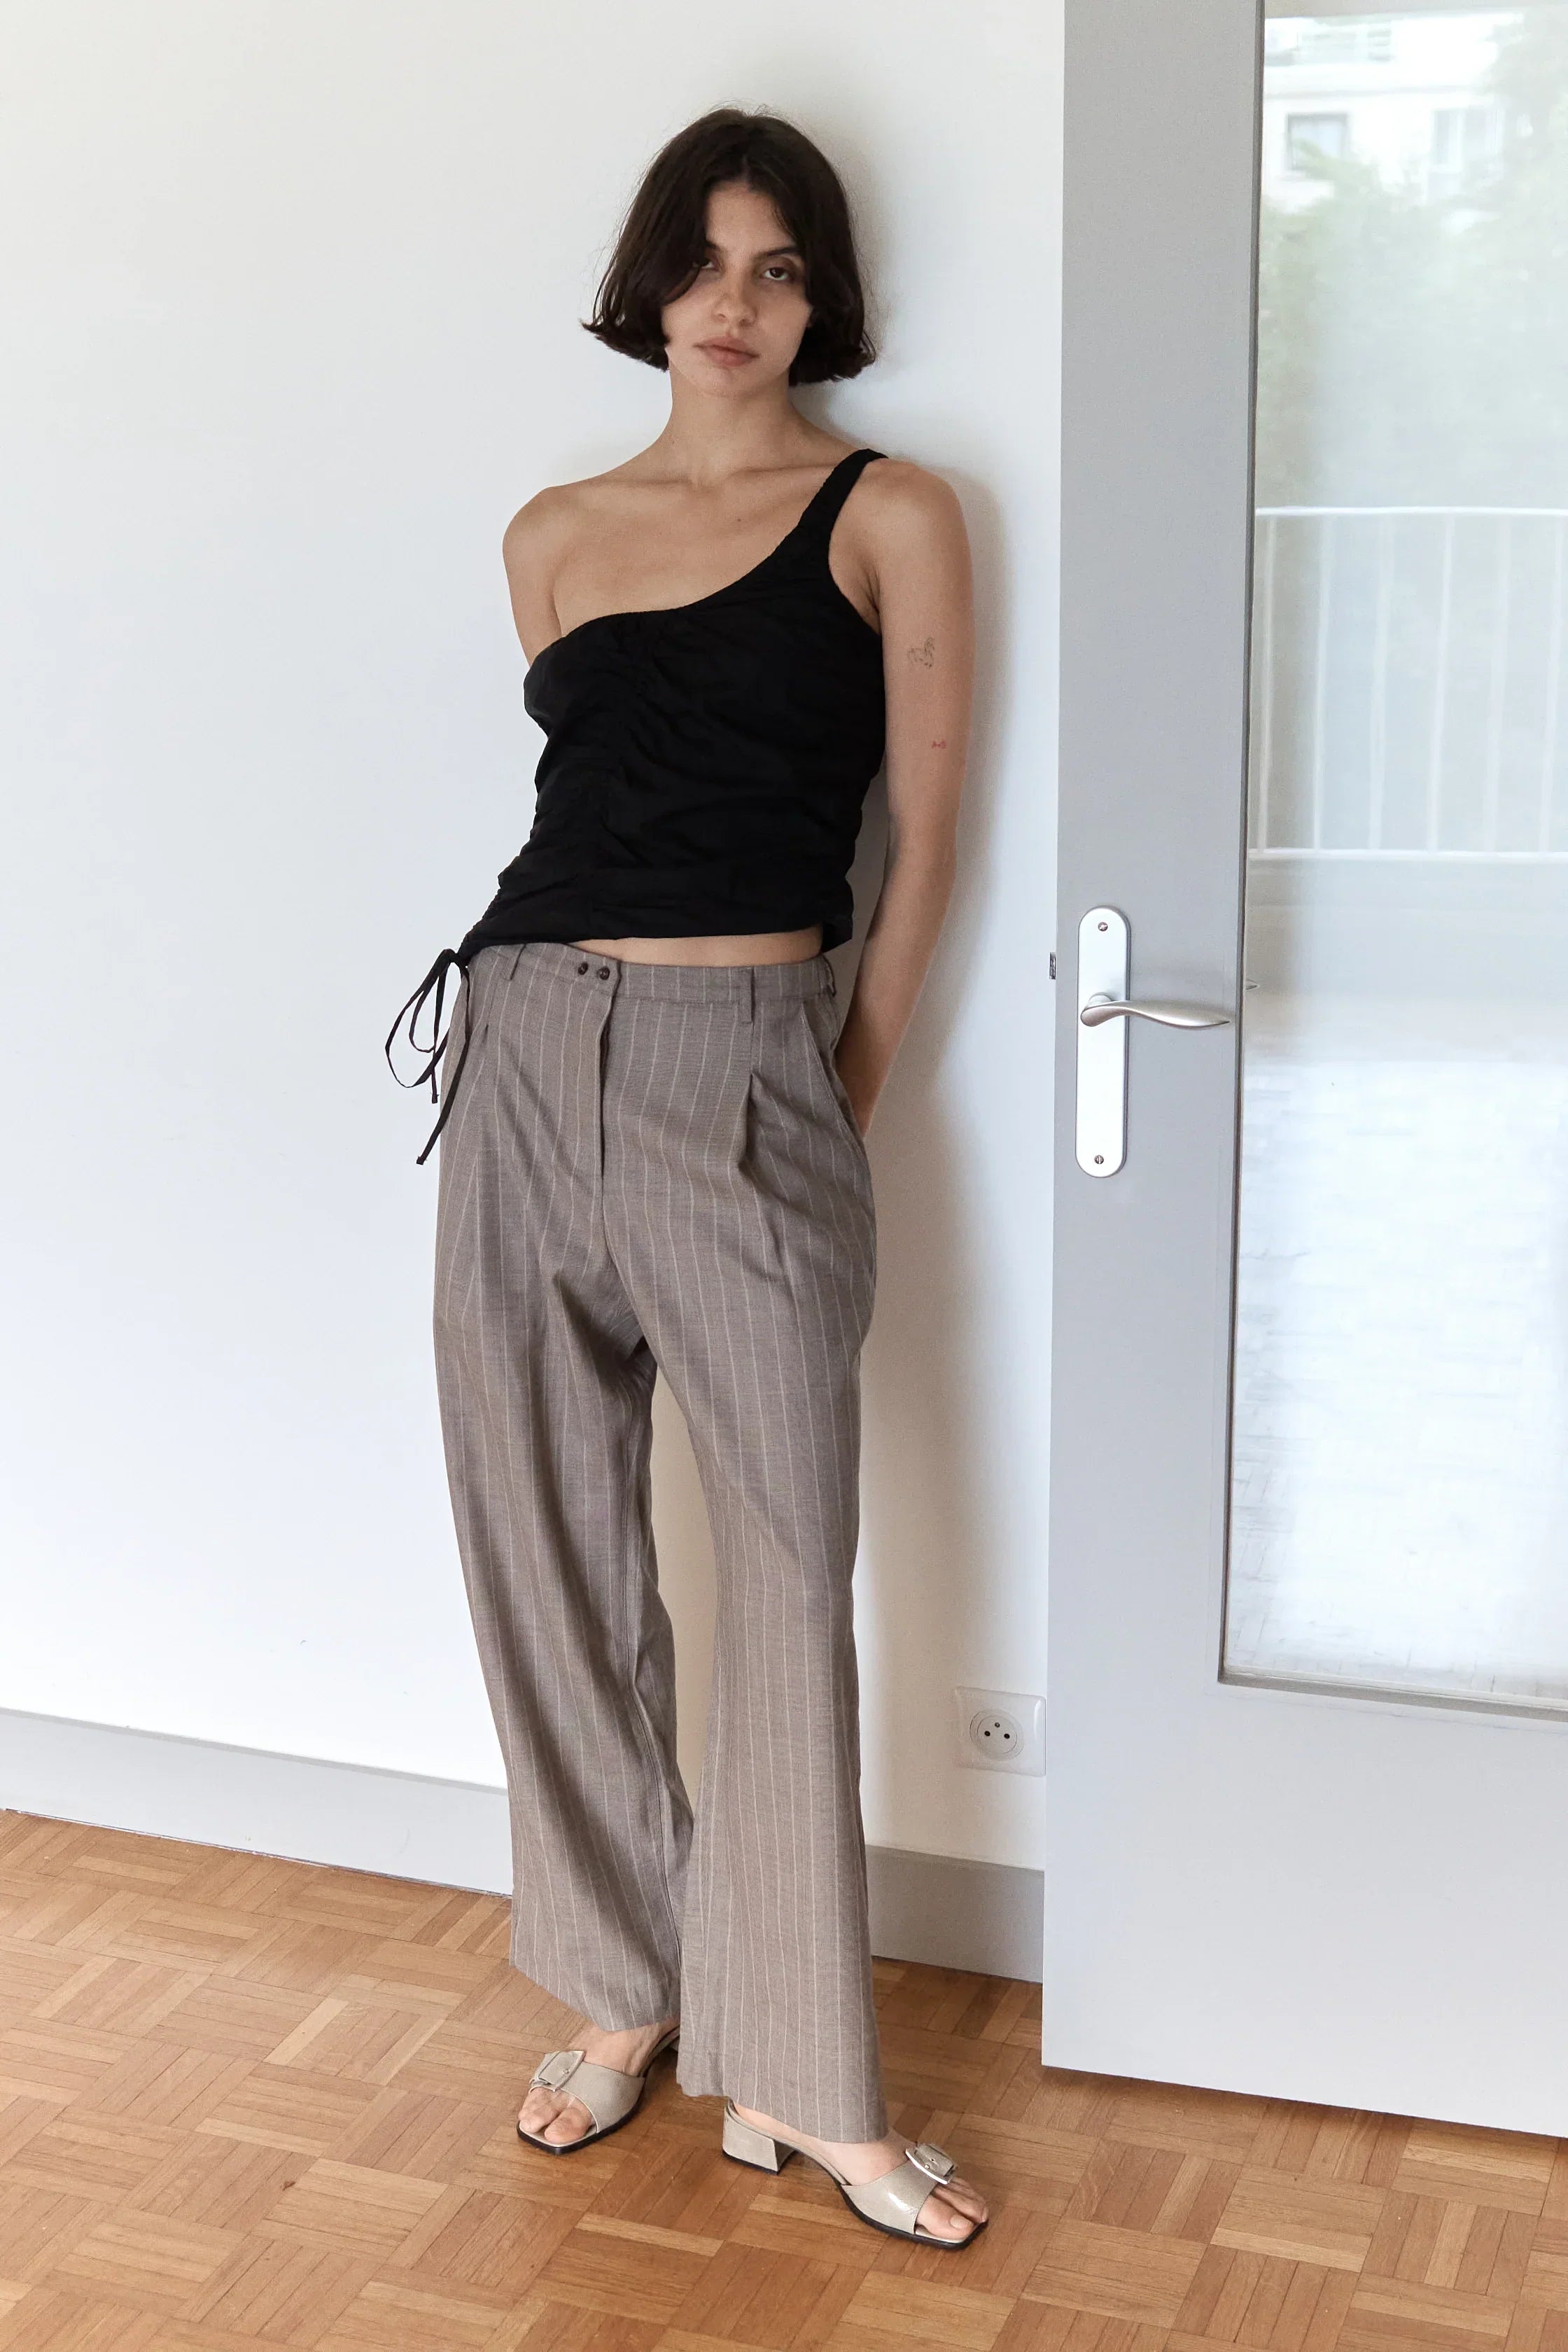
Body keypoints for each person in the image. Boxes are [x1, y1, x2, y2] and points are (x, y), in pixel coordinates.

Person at [388, 104, 983, 2247]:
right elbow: (599, 805)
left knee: (785, 1565)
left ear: (823, 299)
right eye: (704, 262)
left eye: (778, 267)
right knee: (542, 1538)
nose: (734, 305)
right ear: (648, 283)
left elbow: (921, 843)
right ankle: (620, 1981)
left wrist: (835, 1092)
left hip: (750, 1066)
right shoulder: (553, 531)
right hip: (523, 1045)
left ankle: (805, 2073)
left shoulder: (891, 512)